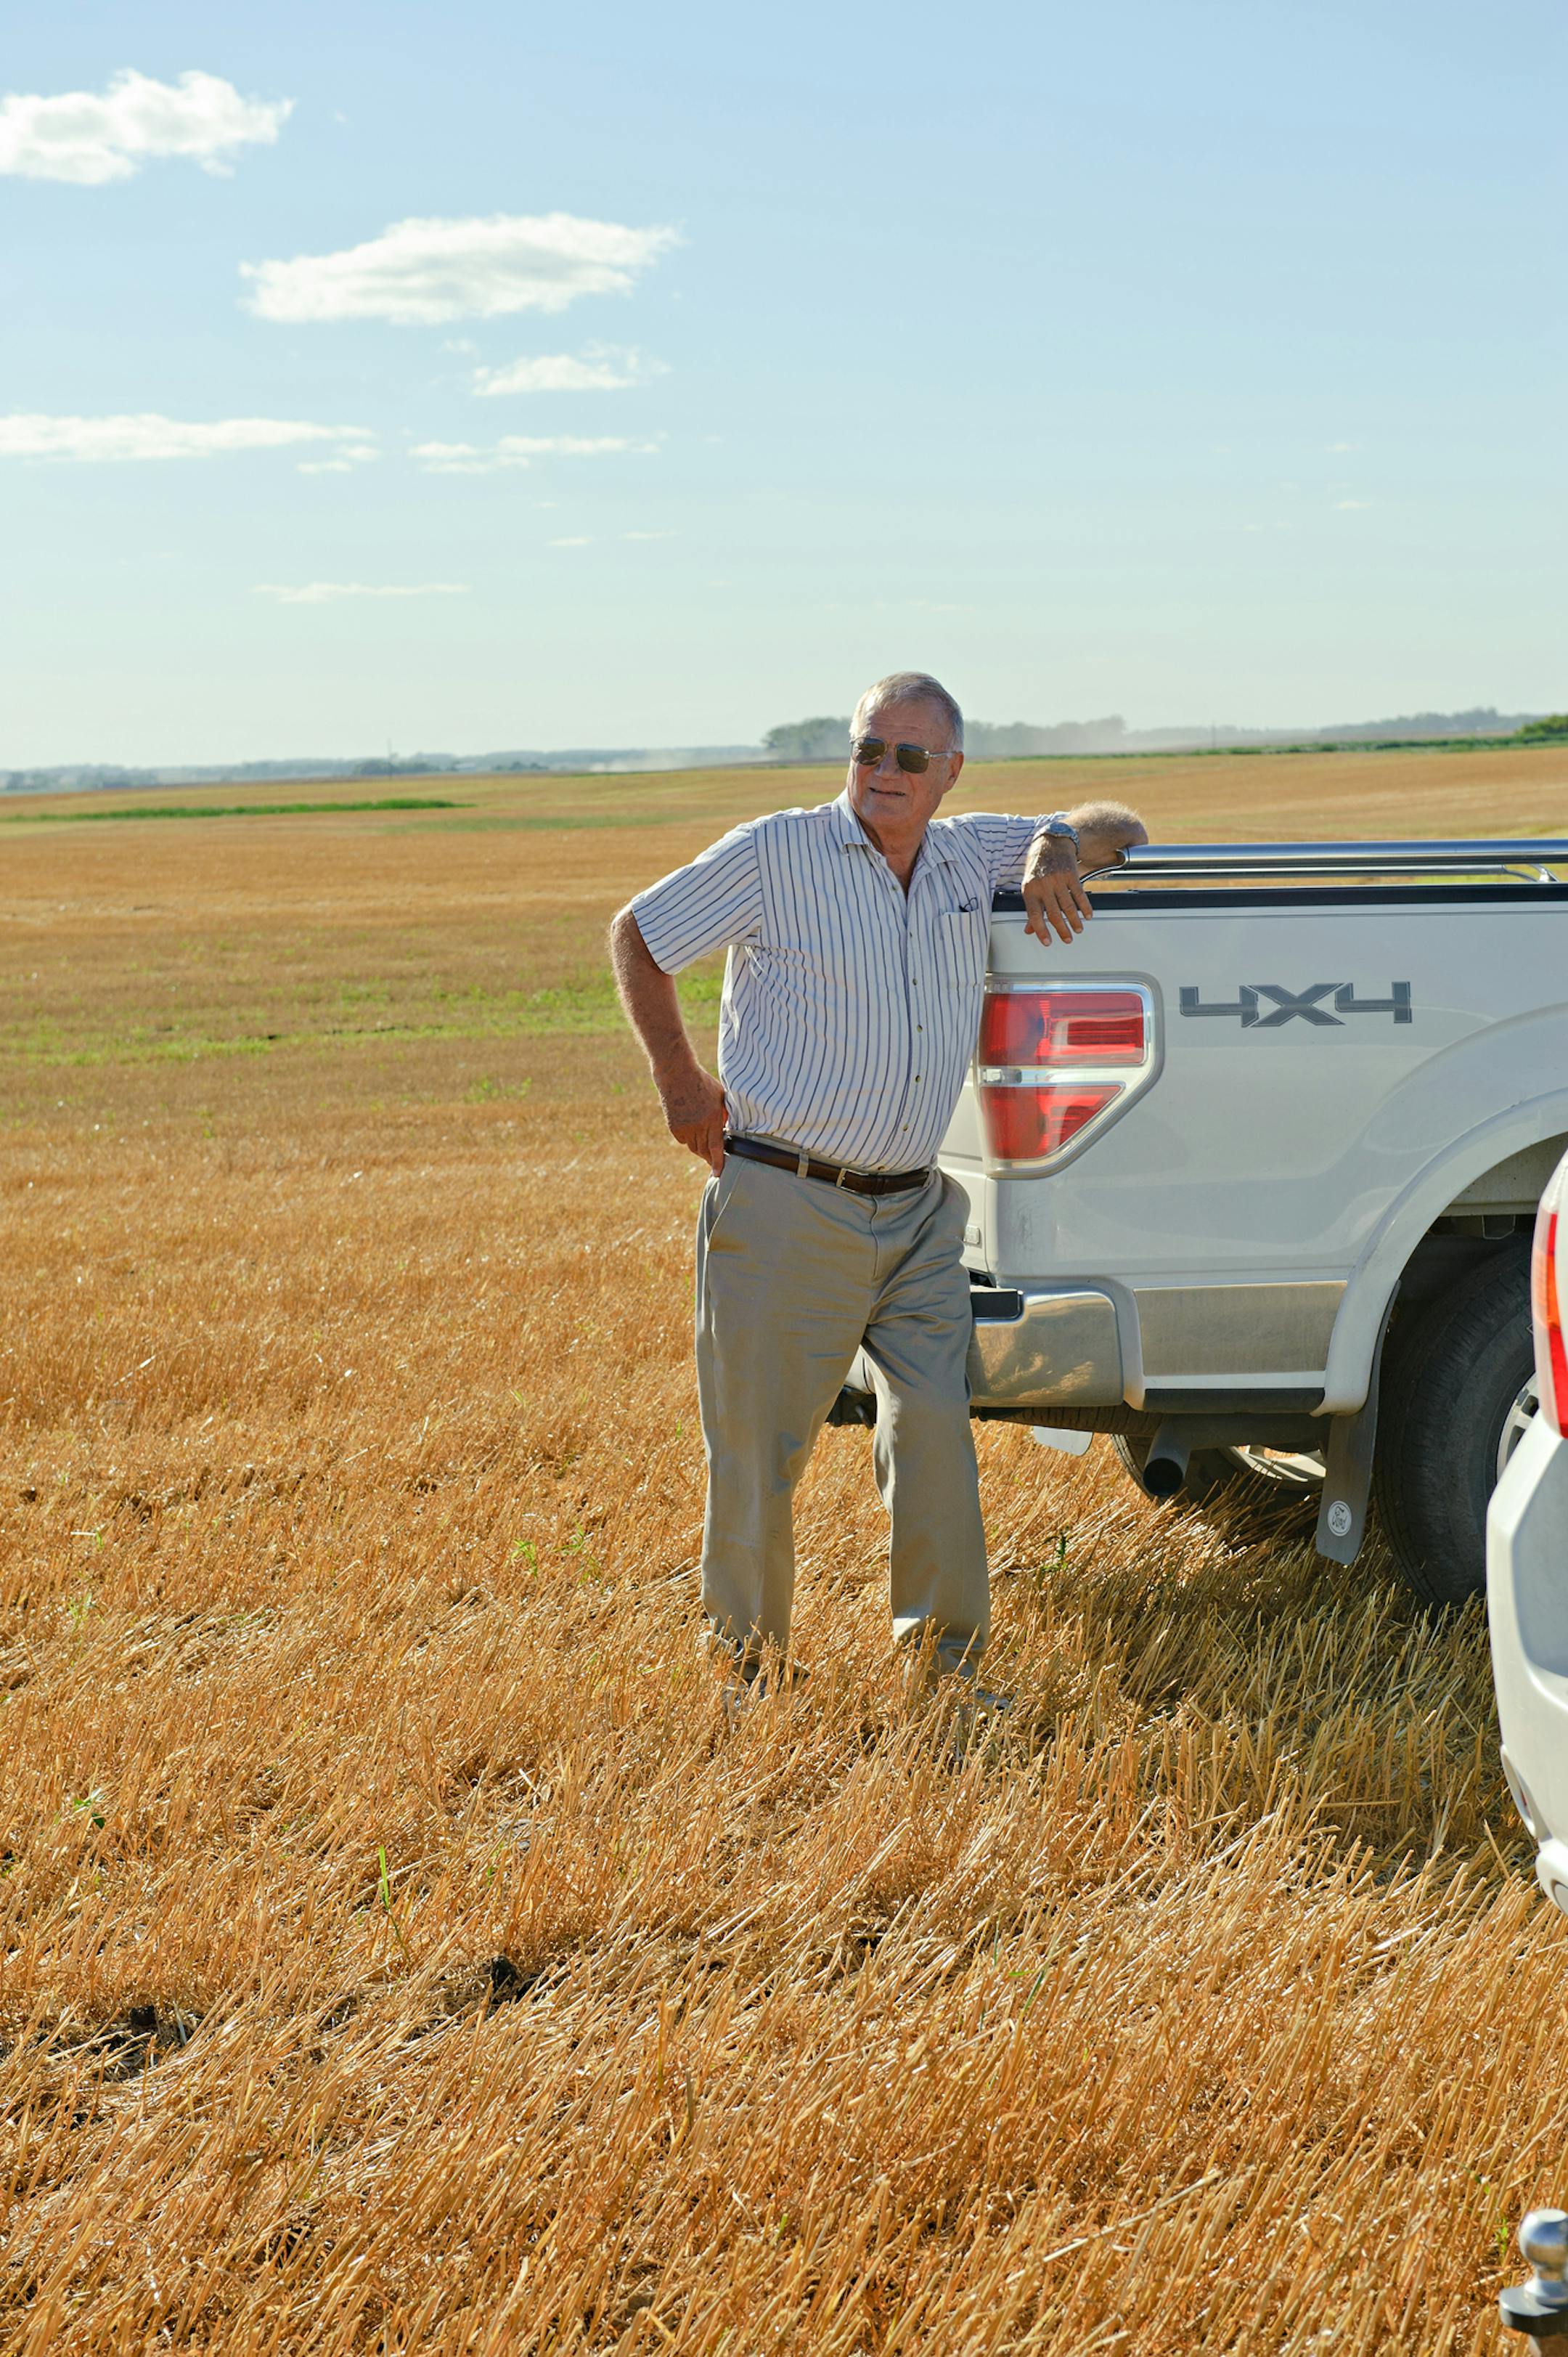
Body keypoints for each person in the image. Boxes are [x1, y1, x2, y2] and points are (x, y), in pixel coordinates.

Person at [610, 671, 1146, 1706]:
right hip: (785, 1201)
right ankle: (747, 1679)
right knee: (759, 1456)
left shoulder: (968, 852)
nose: (884, 773)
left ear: (950, 772)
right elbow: (638, 935)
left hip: (917, 1211)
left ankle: (945, 1670)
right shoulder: (779, 854)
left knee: (937, 1429)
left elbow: (1117, 821)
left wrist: (1054, 847)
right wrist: (680, 1084)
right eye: (868, 749)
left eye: (909, 757)